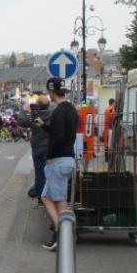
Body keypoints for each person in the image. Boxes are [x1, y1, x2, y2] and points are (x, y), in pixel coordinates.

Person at [34, 78, 79, 251]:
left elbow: (58, 138)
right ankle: (60, 230)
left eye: (48, 92)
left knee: (60, 201)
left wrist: (49, 156)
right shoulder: (70, 110)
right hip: (67, 158)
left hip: (59, 160)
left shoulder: (59, 111)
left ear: (52, 92)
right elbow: (62, 133)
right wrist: (45, 126)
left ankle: (64, 233)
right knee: (46, 197)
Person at [27, 94, 53, 198]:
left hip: (37, 147)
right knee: (51, 172)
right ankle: (49, 194)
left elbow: (22, 121)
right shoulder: (53, 114)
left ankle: (41, 197)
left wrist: (25, 109)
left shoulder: (34, 116)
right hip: (50, 148)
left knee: (39, 173)